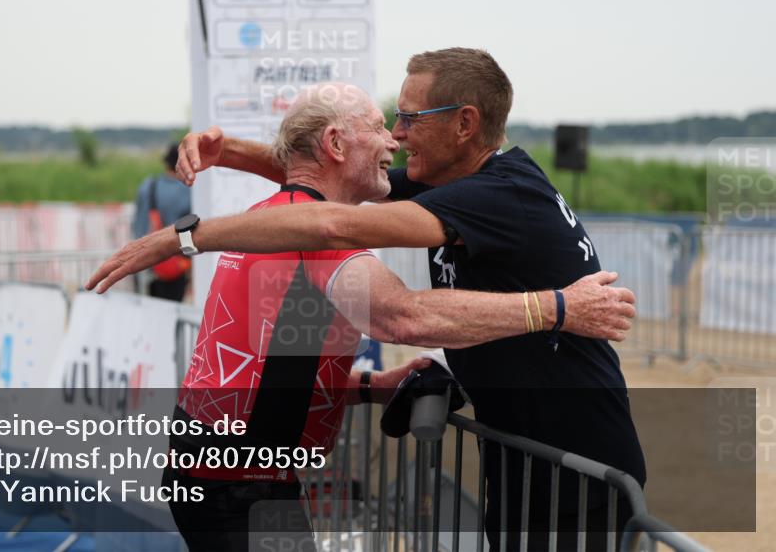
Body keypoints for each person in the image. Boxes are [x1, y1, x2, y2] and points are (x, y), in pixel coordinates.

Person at [88, 79, 638, 551]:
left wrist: (375, 384)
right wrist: (558, 307)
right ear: (334, 143)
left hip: (222, 477)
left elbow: (278, 368)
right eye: (379, 126)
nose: (393, 141)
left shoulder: (271, 218)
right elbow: (403, 319)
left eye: (401, 121)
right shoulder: (316, 238)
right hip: (241, 489)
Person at [131, 142, 192, 301]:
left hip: (144, 261)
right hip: (174, 265)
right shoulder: (188, 191)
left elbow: (137, 224)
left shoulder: (148, 186)